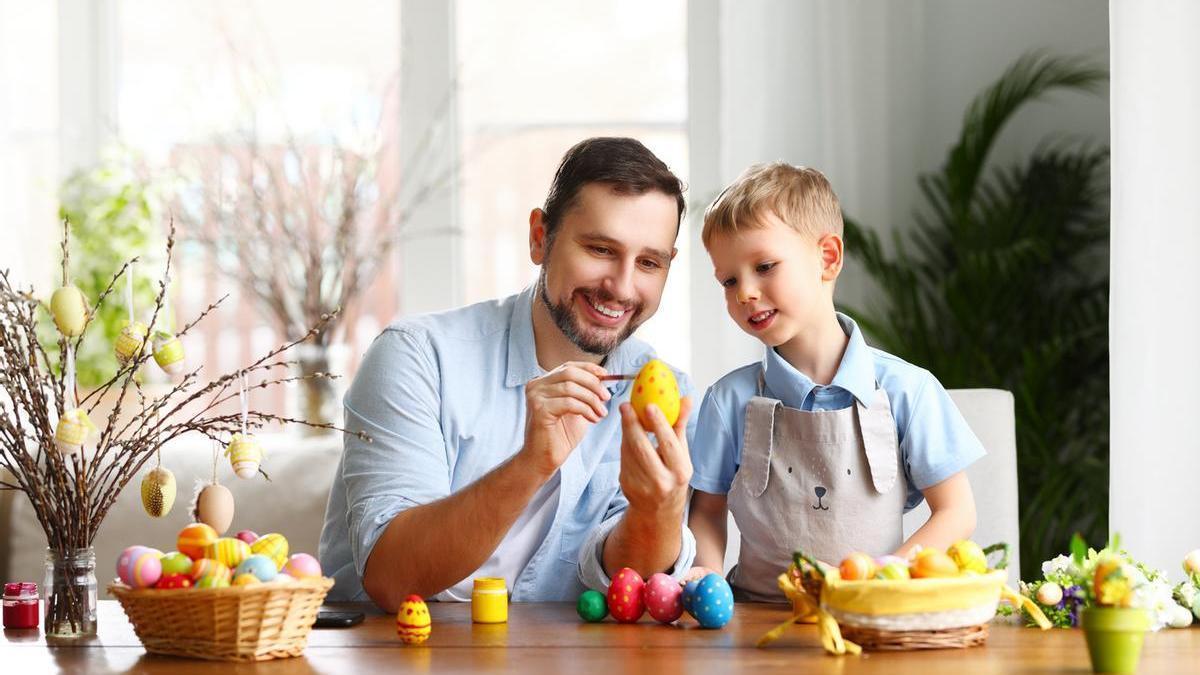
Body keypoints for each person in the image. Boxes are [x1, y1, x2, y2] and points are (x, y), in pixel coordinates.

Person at [319, 137, 698, 610]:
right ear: (540, 237)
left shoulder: (665, 395)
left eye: (648, 263)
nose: (622, 286)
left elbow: (629, 583)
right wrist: (530, 465)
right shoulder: (417, 359)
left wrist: (656, 510)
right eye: (600, 249)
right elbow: (392, 577)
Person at [686, 162, 983, 601]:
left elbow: (957, 512)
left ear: (828, 258)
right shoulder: (727, 401)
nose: (744, 292)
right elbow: (707, 513)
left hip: (869, 620)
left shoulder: (909, 391)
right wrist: (704, 575)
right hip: (759, 622)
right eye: (729, 280)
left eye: (764, 266)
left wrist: (883, 578)